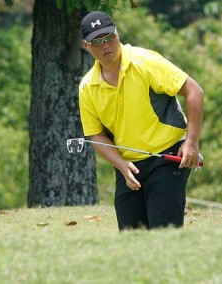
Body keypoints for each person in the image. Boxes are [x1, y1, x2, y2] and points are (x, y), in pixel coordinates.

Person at [79, 11, 203, 230]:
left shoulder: (145, 62)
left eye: (109, 36)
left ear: (117, 33)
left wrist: (191, 142)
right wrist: (121, 165)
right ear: (85, 45)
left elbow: (194, 91)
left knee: (164, 234)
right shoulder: (87, 87)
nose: (105, 45)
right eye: (97, 41)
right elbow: (95, 135)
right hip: (129, 166)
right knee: (131, 238)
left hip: (168, 156)